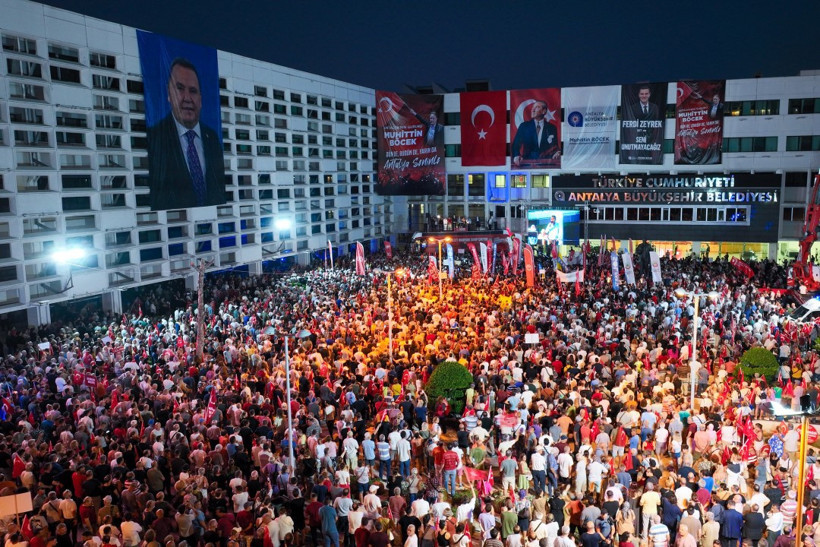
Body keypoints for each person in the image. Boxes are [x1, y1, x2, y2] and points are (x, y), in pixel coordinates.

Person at [147, 57, 225, 210]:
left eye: (193, 91)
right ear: (169, 94)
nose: (188, 98)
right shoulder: (154, 138)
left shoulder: (213, 139)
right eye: (180, 89)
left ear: (200, 100)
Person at [512, 100, 560, 167]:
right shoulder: (524, 126)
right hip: (527, 164)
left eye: (537, 107)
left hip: (546, 164)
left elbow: (554, 146)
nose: (533, 110)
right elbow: (516, 145)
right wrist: (516, 155)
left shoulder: (551, 128)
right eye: (533, 107)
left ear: (544, 111)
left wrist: (557, 152)